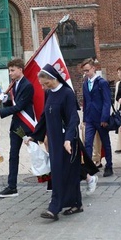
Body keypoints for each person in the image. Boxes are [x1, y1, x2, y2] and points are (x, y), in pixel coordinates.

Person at [26, 63, 82, 220]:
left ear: (53, 78)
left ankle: (67, 205)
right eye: (42, 85)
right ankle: (58, 205)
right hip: (54, 140)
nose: (44, 87)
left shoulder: (67, 93)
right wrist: (35, 135)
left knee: (69, 172)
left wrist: (69, 139)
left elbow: (73, 118)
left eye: (46, 83)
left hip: (66, 140)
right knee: (57, 172)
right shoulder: (49, 94)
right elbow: (45, 116)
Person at [0, 58, 35, 198]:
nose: (10, 73)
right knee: (13, 155)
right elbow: (13, 103)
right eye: (9, 71)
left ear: (20, 69)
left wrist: (0, 112)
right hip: (16, 126)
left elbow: (19, 107)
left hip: (26, 125)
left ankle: (50, 180)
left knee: (36, 154)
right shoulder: (14, 84)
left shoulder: (27, 85)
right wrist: (5, 101)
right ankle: (12, 186)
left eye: (12, 70)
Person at [80, 58, 114, 177]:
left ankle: (109, 165)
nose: (86, 73)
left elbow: (106, 101)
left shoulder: (101, 82)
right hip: (89, 118)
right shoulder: (85, 83)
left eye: (87, 70)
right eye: (84, 71)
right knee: (88, 143)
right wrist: (84, 118)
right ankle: (89, 168)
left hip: (100, 118)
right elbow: (85, 101)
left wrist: (104, 118)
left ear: (93, 68)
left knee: (105, 142)